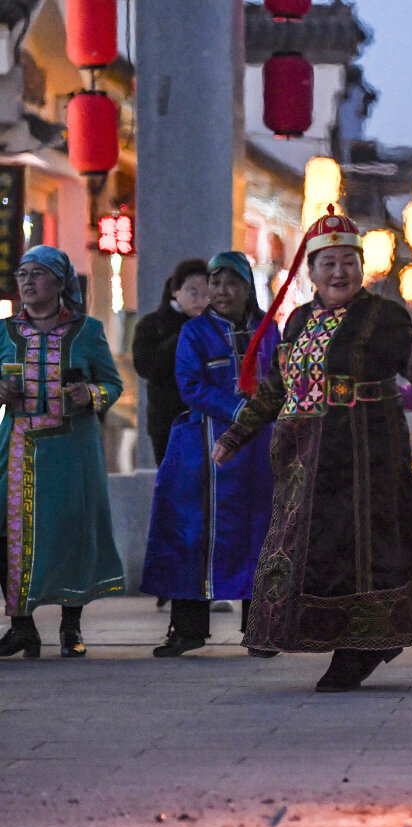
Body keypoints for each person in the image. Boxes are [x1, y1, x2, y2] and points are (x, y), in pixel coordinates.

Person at [210, 209, 412, 692]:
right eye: (328, 263)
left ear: (361, 267)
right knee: (307, 545)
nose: (339, 272)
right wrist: (236, 435)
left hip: (364, 453)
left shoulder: (382, 317)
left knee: (361, 548)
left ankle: (364, 645)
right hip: (304, 457)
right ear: (311, 272)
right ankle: (295, 626)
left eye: (348, 262)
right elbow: (275, 387)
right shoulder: (298, 321)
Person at [139, 252, 279, 656]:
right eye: (215, 283)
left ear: (248, 288)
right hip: (201, 451)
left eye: (232, 282)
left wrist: (262, 413)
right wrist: (241, 410)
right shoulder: (194, 332)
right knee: (190, 534)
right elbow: (191, 386)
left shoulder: (269, 330)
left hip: (259, 453)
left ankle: (261, 630)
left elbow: (280, 379)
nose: (222, 291)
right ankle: (187, 629)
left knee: (260, 532)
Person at [0, 246, 125, 659]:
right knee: (6, 530)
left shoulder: (87, 331)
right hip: (16, 446)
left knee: (73, 531)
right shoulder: (4, 332)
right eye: (23, 274)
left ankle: (71, 627)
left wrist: (89, 394)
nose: (28, 281)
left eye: (38, 274)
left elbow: (112, 384)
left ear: (59, 282)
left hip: (72, 449)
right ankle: (22, 626)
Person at [132, 258, 210, 463]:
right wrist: (184, 336)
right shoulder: (153, 325)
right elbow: (145, 366)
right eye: (193, 292)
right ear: (176, 291)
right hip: (167, 421)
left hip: (207, 420)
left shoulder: (213, 327)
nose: (200, 300)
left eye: (206, 295)